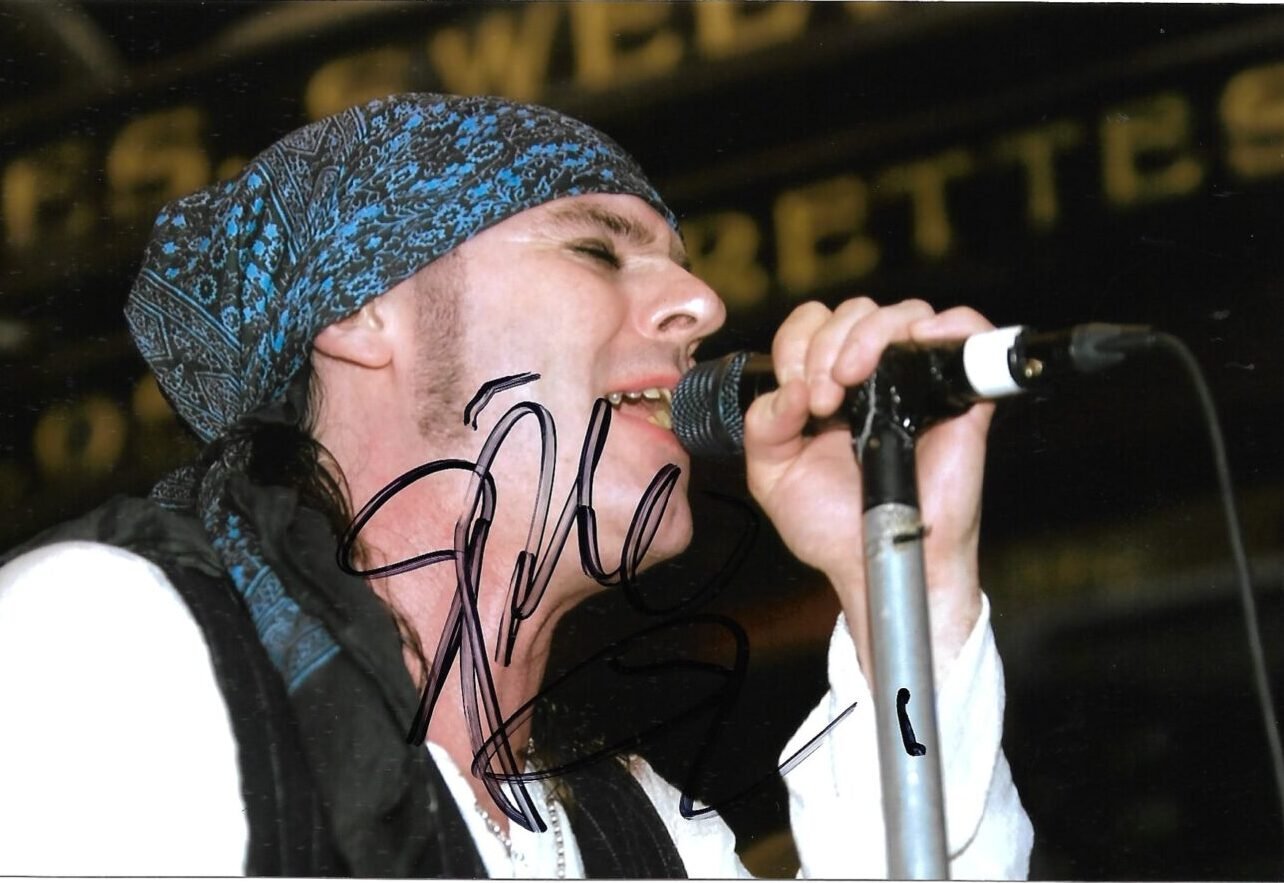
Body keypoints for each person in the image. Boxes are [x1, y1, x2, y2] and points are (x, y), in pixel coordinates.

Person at [0, 93, 1032, 877]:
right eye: (596, 249)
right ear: (360, 310)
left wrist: (907, 580)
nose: (701, 304)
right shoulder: (110, 643)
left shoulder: (646, 835)